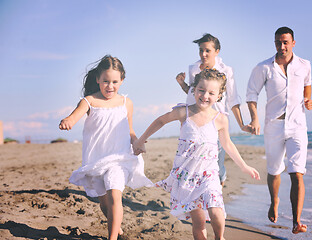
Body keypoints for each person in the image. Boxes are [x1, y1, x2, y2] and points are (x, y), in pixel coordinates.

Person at [134, 68, 260, 240]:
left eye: (211, 93)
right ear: (194, 89)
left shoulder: (220, 119)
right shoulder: (184, 112)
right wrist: (141, 140)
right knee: (199, 224)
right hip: (187, 177)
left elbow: (227, 144)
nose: (205, 95)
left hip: (209, 174)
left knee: (216, 210)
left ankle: (219, 237)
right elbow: (160, 120)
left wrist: (244, 166)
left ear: (218, 96)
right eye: (201, 90)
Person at [59, 55, 152, 240]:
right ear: (97, 80)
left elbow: (130, 130)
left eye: (115, 82)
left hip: (119, 158)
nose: (110, 86)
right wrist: (68, 121)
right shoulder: (89, 101)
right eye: (106, 81)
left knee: (115, 196)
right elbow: (74, 116)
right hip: (96, 161)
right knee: (105, 204)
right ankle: (117, 229)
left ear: (122, 80)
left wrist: (137, 143)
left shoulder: (127, 103)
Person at [246, 26, 312, 234]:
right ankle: (274, 200)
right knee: (274, 171)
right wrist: (255, 118)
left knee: (297, 173)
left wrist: (309, 101)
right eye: (278, 42)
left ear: (293, 42)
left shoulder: (304, 65)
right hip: (274, 125)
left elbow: (307, 89)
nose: (281, 46)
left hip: (297, 126)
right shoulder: (263, 67)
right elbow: (251, 94)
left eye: (285, 42)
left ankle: (296, 222)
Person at [176, 33, 251, 187]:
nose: (203, 54)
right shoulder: (193, 69)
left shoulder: (226, 71)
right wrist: (182, 84)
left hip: (216, 123)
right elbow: (194, 93)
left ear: (217, 51)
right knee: (194, 161)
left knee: (216, 162)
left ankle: (219, 187)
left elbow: (233, 99)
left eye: (207, 51)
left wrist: (242, 124)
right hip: (194, 120)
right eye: (201, 50)